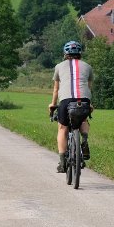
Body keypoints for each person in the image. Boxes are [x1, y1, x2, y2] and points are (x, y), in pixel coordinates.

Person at [49, 40, 93, 173]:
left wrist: (52, 104)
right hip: (83, 99)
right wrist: (89, 104)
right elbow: (89, 87)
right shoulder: (88, 67)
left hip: (66, 101)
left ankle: (62, 163)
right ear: (80, 53)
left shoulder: (58, 66)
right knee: (84, 120)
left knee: (62, 128)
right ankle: (84, 138)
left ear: (65, 53)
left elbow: (56, 89)